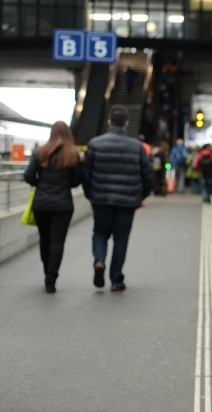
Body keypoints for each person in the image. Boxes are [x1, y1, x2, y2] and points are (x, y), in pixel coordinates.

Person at [83, 106, 154, 292]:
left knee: (100, 233)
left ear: (109, 122)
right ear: (126, 124)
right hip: (127, 202)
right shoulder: (137, 147)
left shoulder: (95, 144)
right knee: (121, 240)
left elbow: (86, 174)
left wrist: (90, 195)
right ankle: (116, 280)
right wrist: (141, 197)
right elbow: (148, 176)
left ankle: (99, 261)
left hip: (101, 199)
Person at [23, 121, 82, 293]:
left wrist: (40, 184)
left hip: (41, 203)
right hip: (63, 204)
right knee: (57, 241)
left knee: (44, 239)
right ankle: (51, 279)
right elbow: (77, 180)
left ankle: (46, 271)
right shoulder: (73, 154)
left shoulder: (40, 152)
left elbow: (28, 176)